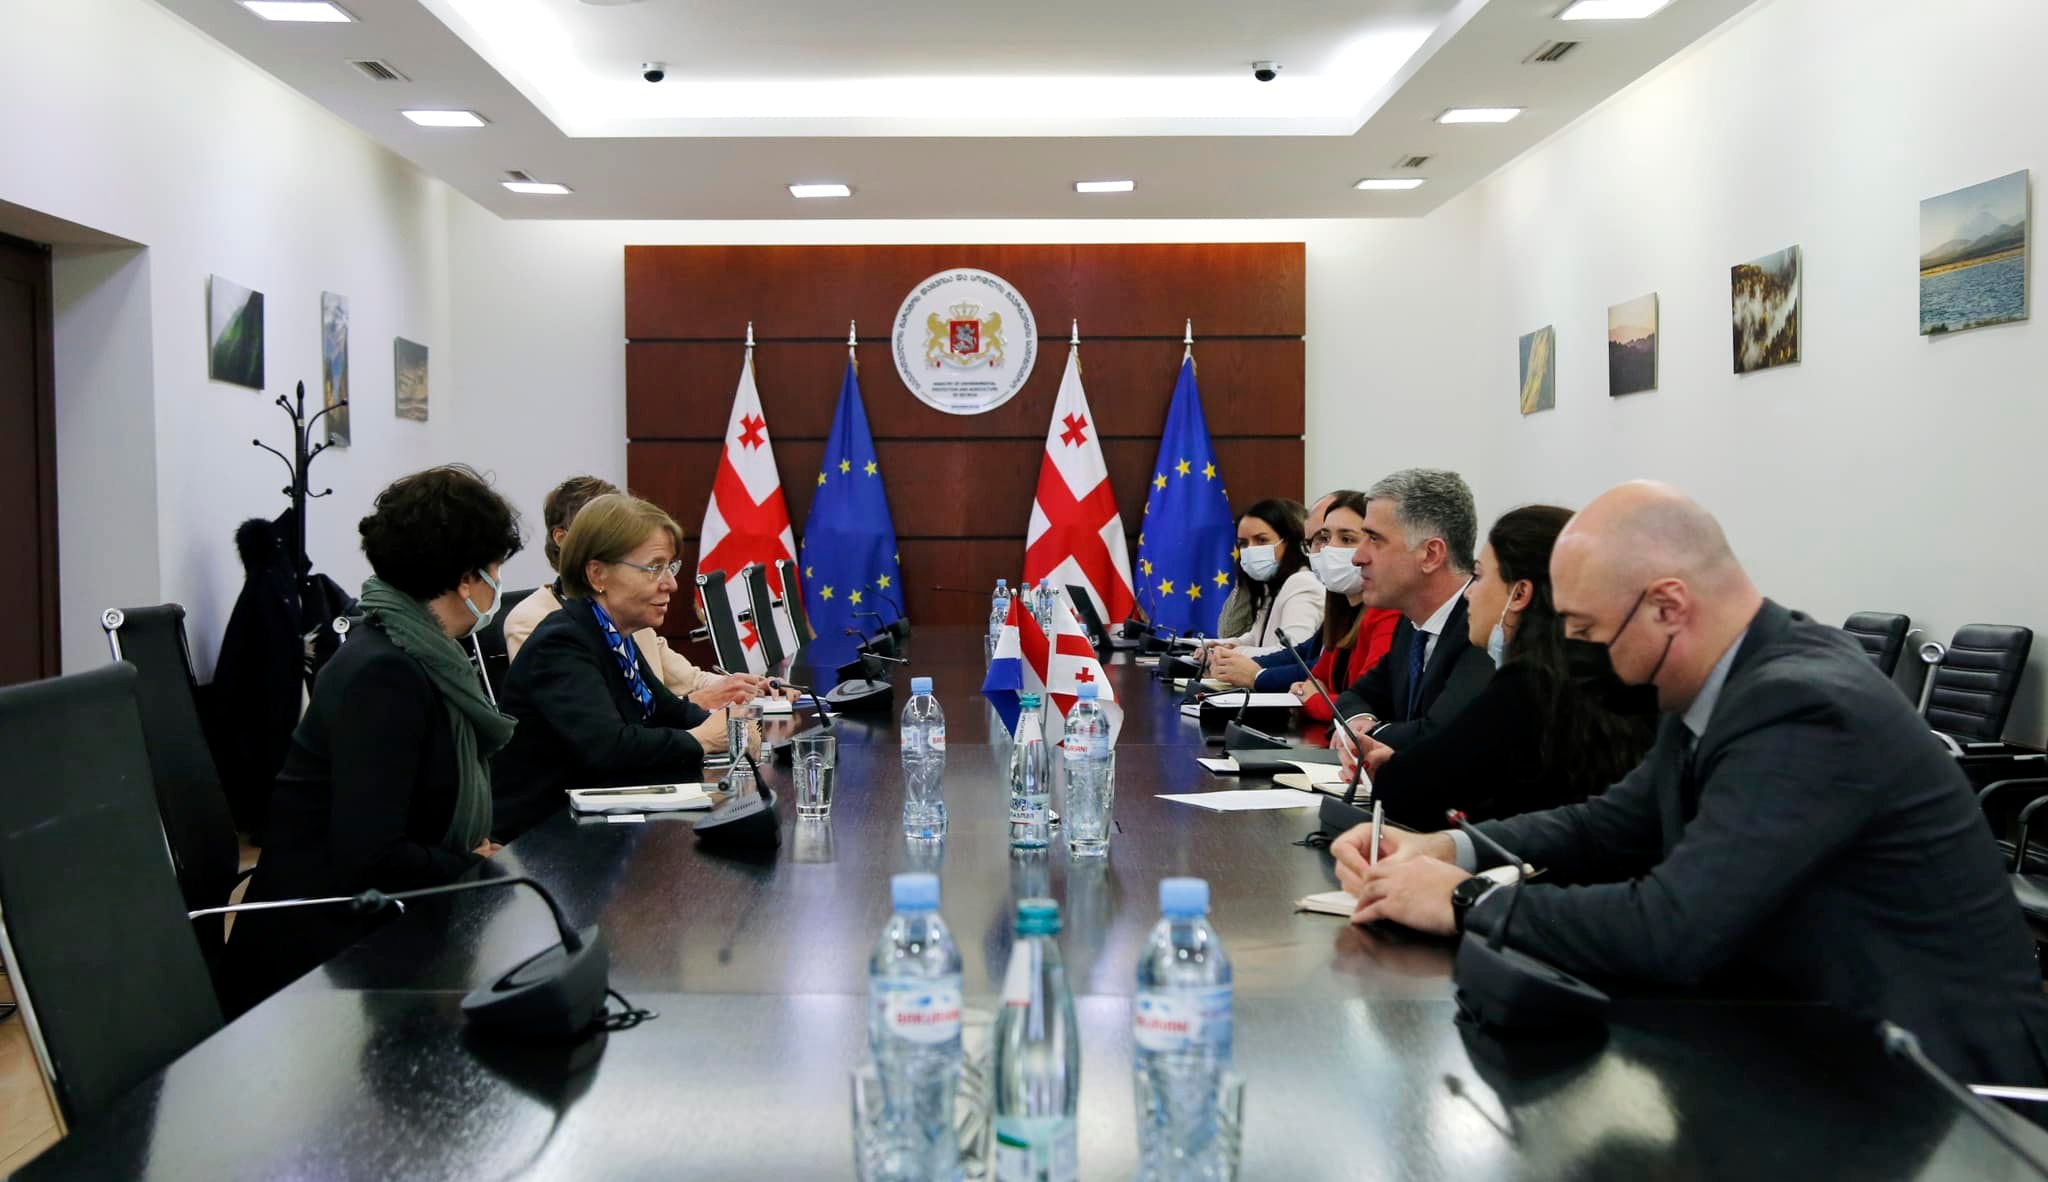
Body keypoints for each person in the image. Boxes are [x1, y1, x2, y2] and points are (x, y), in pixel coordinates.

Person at [1336, 481, 2048, 1090]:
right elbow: (1612, 821)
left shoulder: (1803, 705)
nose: (1572, 649)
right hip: (1811, 1045)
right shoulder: (1720, 676)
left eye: (1585, 627)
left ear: (1668, 607)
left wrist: (1465, 900)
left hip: (1935, 1087)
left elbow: (1672, 926)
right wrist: (1444, 850)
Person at [223, 465, 522, 1016]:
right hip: (321, 966)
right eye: (496, 569)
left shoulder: (416, 654)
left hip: (376, 924)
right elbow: (371, 856)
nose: (497, 585)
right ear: (466, 578)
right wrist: (470, 865)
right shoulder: (385, 674)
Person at [1339, 504, 1658, 828]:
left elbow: (1409, 791)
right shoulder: (1618, 674)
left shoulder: (1529, 684)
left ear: (1519, 594)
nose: (1469, 594)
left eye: (1478, 576)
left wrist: (1394, 769)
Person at [492, 493, 748, 841]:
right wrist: (700, 739)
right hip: (547, 838)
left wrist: (736, 725)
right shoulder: (562, 643)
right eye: (654, 567)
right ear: (598, 574)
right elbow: (608, 748)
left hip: (603, 822)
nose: (671, 583)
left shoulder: (612, 633)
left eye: (670, 567)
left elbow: (668, 710)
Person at [504, 475, 763, 710]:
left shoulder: (626, 614)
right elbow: (598, 724)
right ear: (563, 539)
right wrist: (695, 707)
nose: (671, 584)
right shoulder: (535, 621)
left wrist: (750, 687)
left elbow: (691, 681)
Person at [1331, 468, 1495, 746]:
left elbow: (1441, 736)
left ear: (1430, 555)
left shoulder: (1482, 628)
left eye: (1375, 539)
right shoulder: (1411, 624)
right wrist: (1361, 719)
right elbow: (1355, 696)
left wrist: (1367, 736)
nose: (1358, 557)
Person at [1213, 491, 1400, 714]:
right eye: (1323, 539)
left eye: (1347, 539)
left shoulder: (1387, 612)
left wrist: (1257, 675)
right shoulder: (1339, 609)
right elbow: (1315, 673)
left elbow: (1364, 708)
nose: (1327, 551)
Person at [1204, 498, 1323, 659]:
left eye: (1261, 540)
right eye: (1243, 543)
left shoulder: (1302, 582)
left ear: (1289, 542)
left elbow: (1292, 652)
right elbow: (1256, 638)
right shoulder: (1273, 583)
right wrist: (1224, 646)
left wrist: (1230, 653)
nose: (1251, 549)